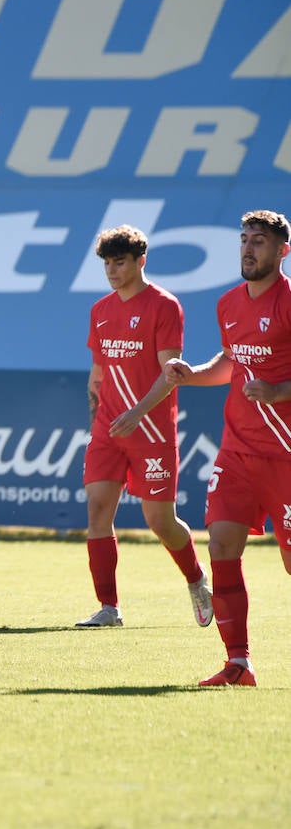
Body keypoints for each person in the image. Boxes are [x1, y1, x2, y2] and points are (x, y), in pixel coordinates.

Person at [165, 208, 291, 687]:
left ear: (282, 251)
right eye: (244, 239)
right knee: (220, 544)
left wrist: (279, 392)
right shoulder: (228, 304)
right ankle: (238, 663)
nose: (247, 248)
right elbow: (231, 362)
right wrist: (193, 375)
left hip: (285, 453)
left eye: (258, 241)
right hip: (237, 452)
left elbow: (268, 378)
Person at [76, 225, 212, 628]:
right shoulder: (100, 311)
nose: (113, 271)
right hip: (108, 431)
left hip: (151, 430)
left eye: (120, 262)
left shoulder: (164, 306)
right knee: (98, 512)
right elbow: (97, 374)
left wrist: (136, 413)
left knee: (161, 522)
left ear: (140, 261)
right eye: (107, 264)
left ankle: (197, 580)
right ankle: (109, 609)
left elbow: (170, 372)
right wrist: (95, 423)